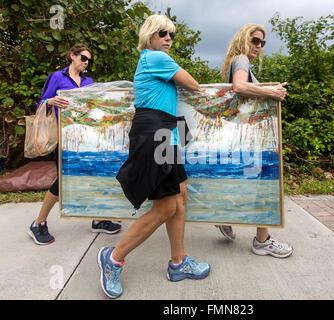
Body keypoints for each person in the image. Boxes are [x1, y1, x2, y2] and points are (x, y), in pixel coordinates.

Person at [97, 15, 210, 299]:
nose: (169, 38)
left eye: (171, 34)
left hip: (166, 134)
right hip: (156, 134)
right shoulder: (155, 58)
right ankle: (113, 258)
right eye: (163, 33)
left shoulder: (154, 61)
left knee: (180, 197)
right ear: (149, 35)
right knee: (165, 208)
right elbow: (194, 84)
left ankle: (178, 263)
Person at [28, 43, 122, 245]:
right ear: (72, 56)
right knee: (62, 182)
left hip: (87, 137)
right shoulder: (57, 77)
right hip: (65, 137)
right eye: (83, 58)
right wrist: (51, 101)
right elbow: (41, 103)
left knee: (94, 174)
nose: (86, 63)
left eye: (89, 60)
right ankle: (38, 223)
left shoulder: (89, 82)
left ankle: (98, 219)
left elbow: (94, 108)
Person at [216, 24, 293, 259]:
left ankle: (223, 217)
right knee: (263, 183)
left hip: (243, 136)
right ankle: (262, 241)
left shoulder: (235, 61)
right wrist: (271, 92)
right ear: (244, 39)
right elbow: (239, 87)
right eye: (255, 40)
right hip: (250, 137)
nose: (258, 46)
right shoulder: (241, 60)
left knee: (246, 180)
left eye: (262, 43)